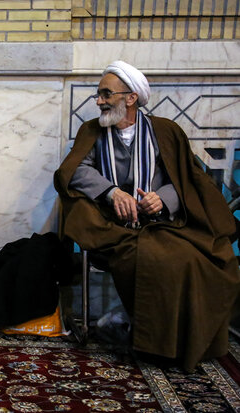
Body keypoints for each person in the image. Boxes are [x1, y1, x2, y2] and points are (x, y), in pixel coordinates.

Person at [55, 60, 240, 371]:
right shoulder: (92, 131)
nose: (99, 101)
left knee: (201, 259)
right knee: (152, 257)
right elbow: (74, 172)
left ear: (130, 98)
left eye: (106, 94)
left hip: (162, 224)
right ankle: (149, 339)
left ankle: (180, 340)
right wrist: (112, 192)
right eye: (99, 94)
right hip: (112, 225)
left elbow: (188, 178)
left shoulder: (165, 130)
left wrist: (162, 198)